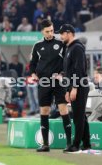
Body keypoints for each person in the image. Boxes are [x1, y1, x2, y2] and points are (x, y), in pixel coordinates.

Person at [29, 19, 71, 152]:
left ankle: (69, 143)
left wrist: (62, 74)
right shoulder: (37, 46)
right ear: (42, 31)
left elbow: (67, 62)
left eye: (52, 30)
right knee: (44, 112)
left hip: (58, 83)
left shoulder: (61, 43)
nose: (50, 33)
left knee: (63, 111)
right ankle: (45, 144)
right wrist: (33, 74)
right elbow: (33, 64)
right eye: (47, 31)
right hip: (44, 82)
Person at [58, 24, 91, 152]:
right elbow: (68, 72)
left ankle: (76, 145)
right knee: (81, 115)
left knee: (78, 116)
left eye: (62, 33)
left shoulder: (77, 48)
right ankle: (87, 143)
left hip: (80, 86)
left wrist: (75, 87)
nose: (61, 36)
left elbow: (78, 69)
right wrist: (68, 89)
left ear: (69, 33)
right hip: (74, 86)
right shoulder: (69, 49)